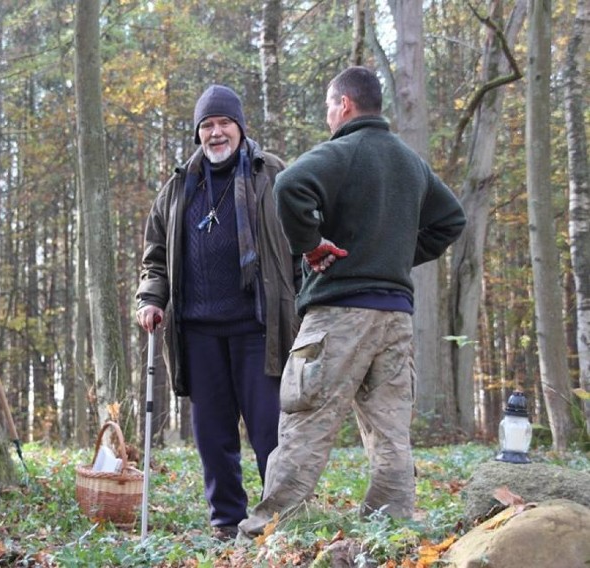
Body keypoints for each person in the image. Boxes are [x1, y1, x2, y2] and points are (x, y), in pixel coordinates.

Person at [238, 66, 467, 538]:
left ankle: (267, 532)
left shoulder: (342, 151)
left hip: (338, 314)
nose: (328, 115)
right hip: (395, 319)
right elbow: (451, 220)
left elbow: (290, 185)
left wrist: (311, 245)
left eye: (328, 106)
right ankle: (392, 531)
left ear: (344, 105)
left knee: (306, 422)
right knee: (391, 432)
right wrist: (398, 255)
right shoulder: (411, 162)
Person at [135, 85, 300, 540]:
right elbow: (154, 257)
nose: (215, 132)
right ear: (198, 134)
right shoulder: (176, 188)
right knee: (212, 436)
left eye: (224, 122)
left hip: (258, 327)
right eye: (206, 125)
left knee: (269, 430)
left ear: (241, 128)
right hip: (199, 330)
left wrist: (304, 302)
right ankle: (227, 520)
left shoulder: (274, 176)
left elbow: (301, 246)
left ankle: (278, 517)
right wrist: (152, 298)